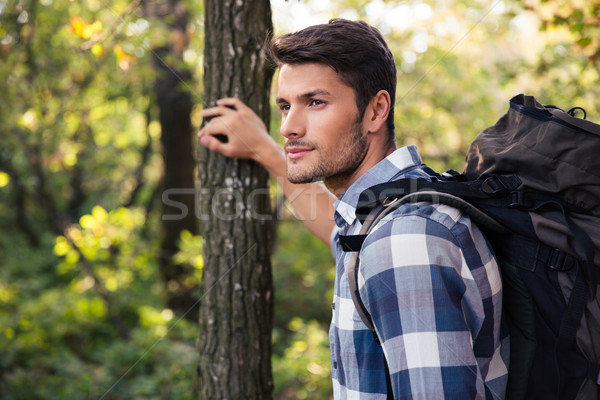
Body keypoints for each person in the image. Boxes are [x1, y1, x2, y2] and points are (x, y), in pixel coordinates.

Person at [198, 18, 509, 400]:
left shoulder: (403, 241)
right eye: (284, 105)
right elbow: (339, 233)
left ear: (376, 110)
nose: (288, 128)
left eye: (315, 102)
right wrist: (265, 151)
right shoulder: (392, 212)